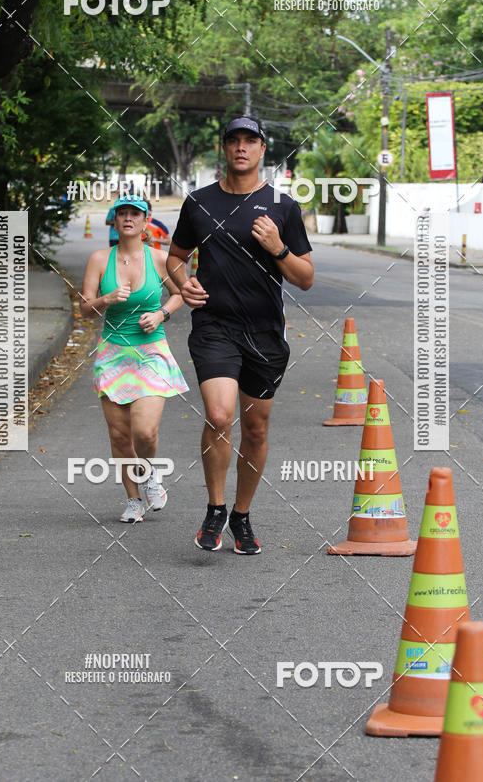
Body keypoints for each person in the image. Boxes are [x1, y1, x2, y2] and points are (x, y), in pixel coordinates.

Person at [166, 116, 314, 554]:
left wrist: (277, 248)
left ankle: (242, 516)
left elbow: (305, 278)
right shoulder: (198, 202)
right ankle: (215, 508)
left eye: (250, 140)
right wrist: (183, 284)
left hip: (265, 333)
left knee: (256, 428)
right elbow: (176, 257)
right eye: (234, 141)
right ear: (224, 149)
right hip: (215, 327)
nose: (242, 148)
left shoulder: (283, 207)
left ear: (262, 149)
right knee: (218, 413)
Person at [82, 194, 189, 523]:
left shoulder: (159, 259)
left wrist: (160, 315)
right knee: (119, 435)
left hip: (151, 353)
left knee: (145, 432)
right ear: (114, 221)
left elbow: (182, 293)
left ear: (146, 222)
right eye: (122, 213)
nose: (128, 218)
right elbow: (85, 310)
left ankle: (151, 475)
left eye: (135, 214)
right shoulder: (100, 259)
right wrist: (107, 298)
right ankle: (133, 500)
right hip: (113, 354)